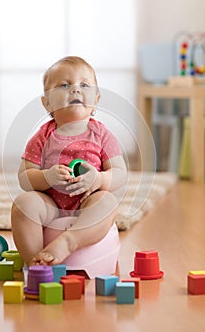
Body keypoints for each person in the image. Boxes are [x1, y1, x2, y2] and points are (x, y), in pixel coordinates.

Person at [11, 56, 127, 267]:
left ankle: (68, 242)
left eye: (84, 85)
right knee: (24, 204)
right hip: (51, 206)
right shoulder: (42, 137)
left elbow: (119, 173)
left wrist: (98, 179)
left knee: (108, 202)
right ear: (47, 103)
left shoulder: (101, 134)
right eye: (64, 85)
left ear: (96, 101)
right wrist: (47, 177)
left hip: (87, 202)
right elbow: (25, 177)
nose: (75, 90)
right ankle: (36, 263)